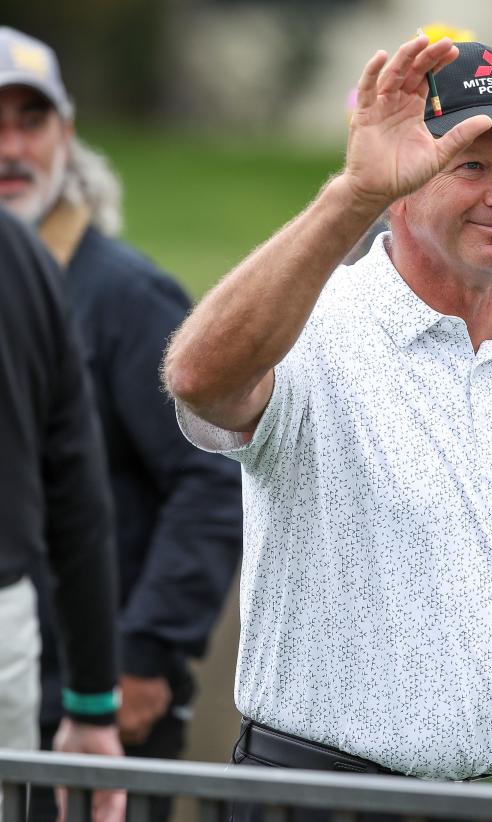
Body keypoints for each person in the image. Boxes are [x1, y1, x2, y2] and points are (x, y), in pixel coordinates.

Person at [163, 36, 492, 815]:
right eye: (470, 166)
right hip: (324, 798)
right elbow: (198, 379)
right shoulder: (312, 331)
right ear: (402, 188)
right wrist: (348, 194)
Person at [0, 27, 243, 818]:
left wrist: (141, 658)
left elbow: (209, 483)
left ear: (66, 137)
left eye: (30, 122)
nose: (11, 148)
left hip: (90, 708)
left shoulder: (126, 296)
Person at [0, 206, 125, 822]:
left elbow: (77, 492)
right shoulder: (23, 253)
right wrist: (93, 705)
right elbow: (77, 490)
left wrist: (94, 702)